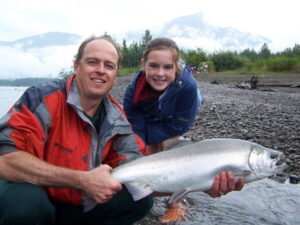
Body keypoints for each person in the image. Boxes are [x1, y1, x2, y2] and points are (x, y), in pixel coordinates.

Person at [0, 35, 153, 225]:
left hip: (74, 203)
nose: (100, 70)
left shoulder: (118, 120)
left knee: (139, 200)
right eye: (92, 62)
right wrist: (82, 180)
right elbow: (5, 160)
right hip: (32, 192)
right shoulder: (43, 98)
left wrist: (197, 180)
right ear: (76, 66)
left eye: (109, 65)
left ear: (116, 73)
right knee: (26, 206)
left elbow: (142, 170)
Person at [123, 37, 244, 199]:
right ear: (143, 64)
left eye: (167, 67)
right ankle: (150, 188)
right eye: (153, 66)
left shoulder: (188, 87)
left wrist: (162, 145)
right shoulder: (132, 92)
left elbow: (179, 126)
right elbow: (137, 128)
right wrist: (148, 149)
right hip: (149, 112)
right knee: (148, 152)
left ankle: (178, 197)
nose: (160, 73)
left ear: (176, 67)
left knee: (172, 152)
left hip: (176, 115)